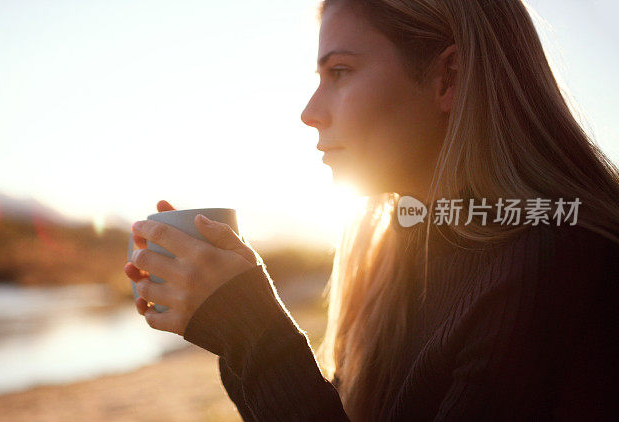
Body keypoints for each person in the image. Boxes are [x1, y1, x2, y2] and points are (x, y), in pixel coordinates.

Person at [124, 0, 619, 420]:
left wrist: (252, 333)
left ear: (449, 77)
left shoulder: (557, 265)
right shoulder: (399, 251)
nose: (309, 112)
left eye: (339, 71)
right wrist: (233, 329)